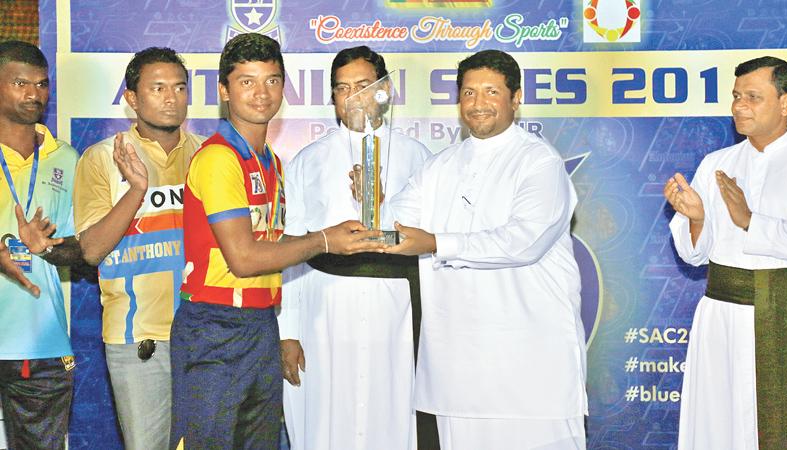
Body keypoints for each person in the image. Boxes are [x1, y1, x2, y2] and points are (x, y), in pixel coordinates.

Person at [169, 33, 385, 450]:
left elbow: (274, 240)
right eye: (246, 81)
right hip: (215, 326)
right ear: (223, 91)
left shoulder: (269, 161)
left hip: (259, 324)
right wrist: (324, 239)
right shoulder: (218, 158)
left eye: (271, 80)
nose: (261, 93)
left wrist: (343, 232)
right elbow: (245, 258)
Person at [382, 49, 587, 449]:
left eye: (491, 92)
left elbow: (523, 241)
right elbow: (395, 224)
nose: (478, 104)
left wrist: (437, 243)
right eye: (469, 93)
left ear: (516, 97)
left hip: (530, 365)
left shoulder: (538, 162)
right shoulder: (439, 167)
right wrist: (370, 206)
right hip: (458, 367)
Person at [279, 45, 431, 450]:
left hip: (396, 310)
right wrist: (288, 331)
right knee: (328, 418)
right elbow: (292, 248)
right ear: (332, 98)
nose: (354, 98)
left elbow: (430, 243)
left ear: (384, 91)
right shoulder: (307, 162)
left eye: (364, 86)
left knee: (393, 414)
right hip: (324, 312)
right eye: (343, 89)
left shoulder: (421, 159)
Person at [72, 47, 205, 450]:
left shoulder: (207, 154)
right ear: (131, 98)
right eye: (158, 88)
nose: (171, 98)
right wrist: (137, 190)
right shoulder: (101, 159)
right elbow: (92, 250)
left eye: (180, 87)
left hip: (204, 332)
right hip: (138, 335)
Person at [665, 56, 787, 449]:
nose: (740, 105)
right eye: (736, 96)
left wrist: (749, 220)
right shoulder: (715, 164)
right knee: (719, 428)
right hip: (721, 319)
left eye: (753, 97)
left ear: (785, 102)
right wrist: (695, 219)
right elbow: (694, 256)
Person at [0, 40, 82, 450]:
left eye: (42, 84)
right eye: (20, 83)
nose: (34, 94)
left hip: (40, 343)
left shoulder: (67, 159)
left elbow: (84, 248)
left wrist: (47, 248)